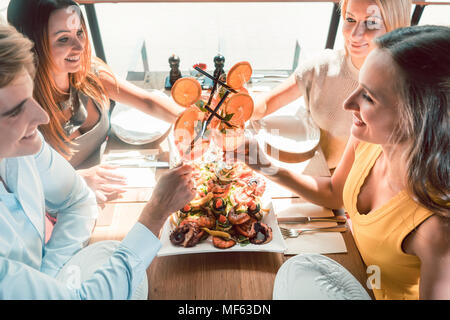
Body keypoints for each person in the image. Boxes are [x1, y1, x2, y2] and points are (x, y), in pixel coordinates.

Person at [237, 25, 450, 299]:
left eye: (369, 97)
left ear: (420, 120)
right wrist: (264, 165)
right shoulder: (369, 139)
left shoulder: (438, 229)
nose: (348, 103)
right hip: (353, 272)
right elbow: (334, 194)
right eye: (359, 85)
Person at [0, 23, 195, 299]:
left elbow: (77, 200)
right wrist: (155, 214)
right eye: (16, 110)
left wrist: (49, 279)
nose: (42, 117)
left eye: (30, 95)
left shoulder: (23, 147)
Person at [7, 0, 186, 203]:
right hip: (63, 205)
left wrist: (195, 120)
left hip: (112, 184)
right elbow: (17, 188)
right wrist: (78, 181)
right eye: (63, 39)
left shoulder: (89, 72)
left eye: (80, 33)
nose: (80, 46)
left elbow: (148, 102)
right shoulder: (18, 108)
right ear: (31, 45)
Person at [251, 0, 412, 169]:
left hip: (351, 190)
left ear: (396, 28)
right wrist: (232, 109)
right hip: (308, 171)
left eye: (372, 23)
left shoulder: (404, 93)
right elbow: (267, 103)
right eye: (350, 19)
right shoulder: (321, 65)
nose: (355, 35)